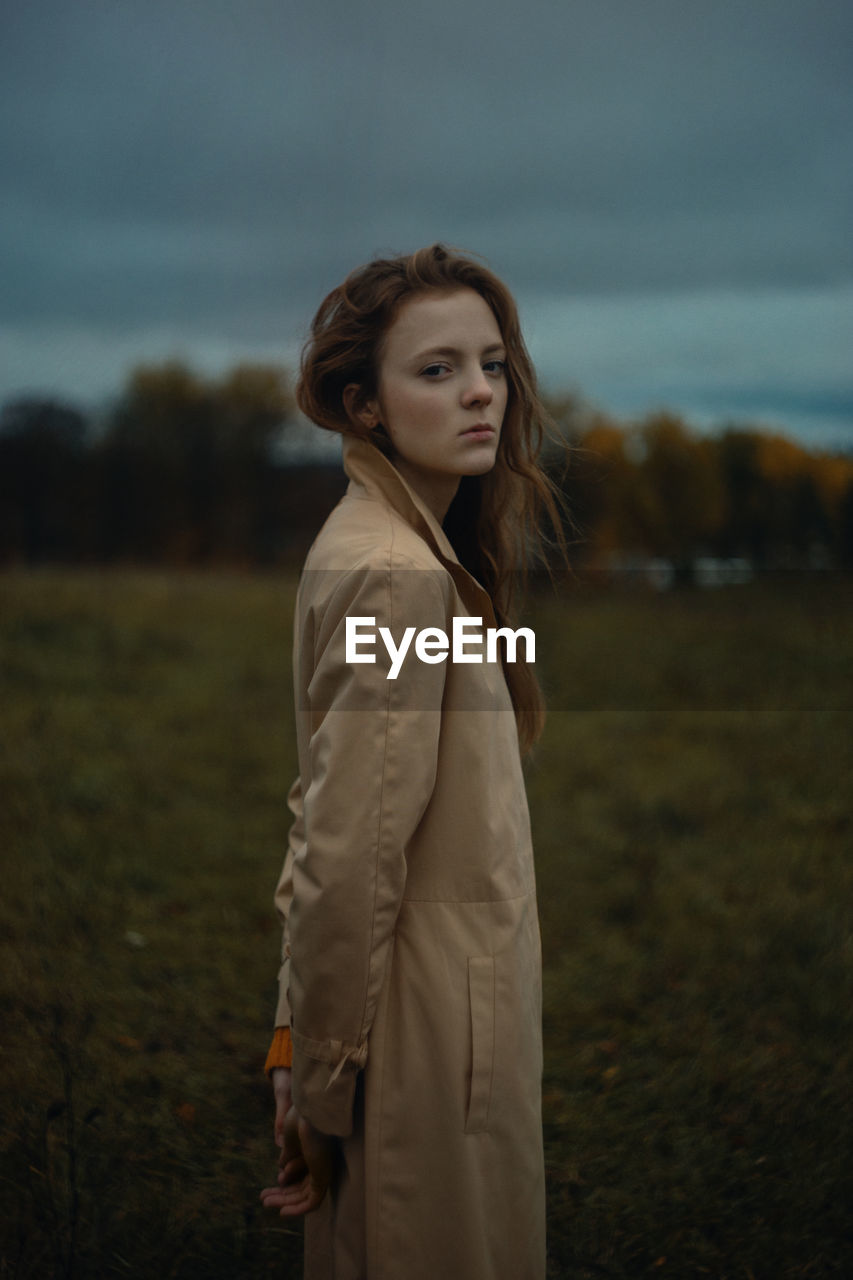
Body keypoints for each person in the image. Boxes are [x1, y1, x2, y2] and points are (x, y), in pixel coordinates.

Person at [260, 244, 564, 1280]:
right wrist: (319, 1080)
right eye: (436, 369)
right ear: (367, 404)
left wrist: (294, 1041)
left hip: (433, 1025)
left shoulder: (396, 546)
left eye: (490, 362)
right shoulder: (392, 575)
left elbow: (328, 820)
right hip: (416, 1051)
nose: (480, 391)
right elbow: (347, 853)